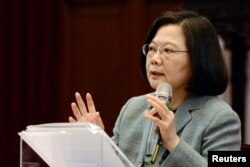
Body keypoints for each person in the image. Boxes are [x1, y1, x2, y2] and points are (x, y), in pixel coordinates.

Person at [69, 10, 241, 167]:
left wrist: (174, 143)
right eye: (151, 49)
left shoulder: (221, 119)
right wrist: (98, 142)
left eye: (168, 50)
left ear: (198, 59)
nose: (155, 59)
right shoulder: (134, 108)